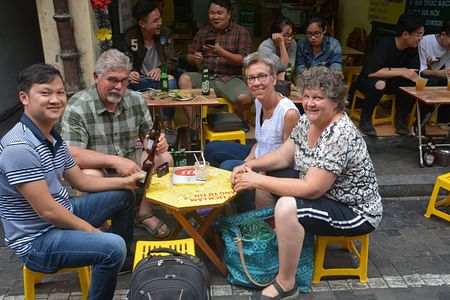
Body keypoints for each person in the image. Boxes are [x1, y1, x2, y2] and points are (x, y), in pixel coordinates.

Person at [232, 66, 382, 300]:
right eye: (307, 96)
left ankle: (286, 283)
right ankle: (280, 240)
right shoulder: (308, 122)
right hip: (327, 195)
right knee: (264, 178)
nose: (310, 103)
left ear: (335, 102)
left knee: (287, 207)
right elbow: (284, 155)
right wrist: (251, 165)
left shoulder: (339, 133)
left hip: (354, 211)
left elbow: (312, 189)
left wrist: (258, 179)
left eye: (318, 98)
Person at [0, 63, 142, 299]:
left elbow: (81, 181)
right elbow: (48, 211)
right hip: (37, 241)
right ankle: (110, 258)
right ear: (24, 98)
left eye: (59, 92)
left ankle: (118, 261)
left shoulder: (52, 136)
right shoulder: (20, 147)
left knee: (125, 197)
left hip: (60, 214)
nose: (55, 100)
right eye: (45, 93)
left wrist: (127, 183)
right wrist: (92, 233)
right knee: (112, 246)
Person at [61, 49, 172, 240]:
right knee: (88, 174)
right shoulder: (78, 105)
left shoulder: (136, 99)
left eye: (124, 80)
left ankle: (144, 213)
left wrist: (158, 142)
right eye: (112, 80)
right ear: (96, 77)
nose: (119, 86)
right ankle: (100, 221)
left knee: (164, 159)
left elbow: (148, 136)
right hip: (97, 164)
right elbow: (72, 154)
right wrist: (114, 161)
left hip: (130, 156)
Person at [205, 52, 299, 171]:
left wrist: (251, 167)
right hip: (259, 154)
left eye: (261, 76)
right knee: (211, 147)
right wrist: (248, 160)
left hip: (275, 167)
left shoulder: (288, 113)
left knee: (227, 166)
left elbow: (288, 159)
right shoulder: (259, 101)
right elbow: (260, 143)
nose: (256, 83)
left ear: (274, 79)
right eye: (251, 78)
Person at [178, 0, 253, 131]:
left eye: (219, 13)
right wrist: (194, 58)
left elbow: (244, 60)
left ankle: (238, 118)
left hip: (230, 78)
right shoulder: (203, 32)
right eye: (212, 13)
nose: (215, 17)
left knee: (245, 98)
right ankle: (193, 124)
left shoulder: (241, 32)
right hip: (207, 77)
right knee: (184, 79)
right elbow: (189, 56)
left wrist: (222, 52)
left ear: (229, 14)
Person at [123, 0, 186, 142]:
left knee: (170, 81)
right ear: (142, 24)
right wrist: (130, 71)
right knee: (124, 86)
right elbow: (125, 60)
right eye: (155, 20)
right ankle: (136, 130)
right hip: (141, 80)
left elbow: (173, 60)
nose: (160, 23)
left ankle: (168, 126)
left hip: (160, 78)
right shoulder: (130, 37)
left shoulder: (165, 34)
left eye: (160, 18)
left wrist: (161, 69)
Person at [355, 12, 425, 137]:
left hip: (392, 81)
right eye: (418, 35)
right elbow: (373, 72)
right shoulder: (386, 44)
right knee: (380, 83)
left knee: (414, 82)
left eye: (422, 35)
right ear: (405, 34)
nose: (421, 39)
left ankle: (401, 118)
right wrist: (402, 71)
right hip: (369, 81)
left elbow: (413, 72)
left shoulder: (413, 48)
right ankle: (365, 118)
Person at [258, 16, 297, 80]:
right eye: (285, 35)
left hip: (283, 77)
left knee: (284, 76)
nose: (290, 38)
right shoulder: (265, 47)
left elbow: (289, 69)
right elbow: (285, 67)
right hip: (266, 77)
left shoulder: (292, 43)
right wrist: (281, 44)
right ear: (275, 35)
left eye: (291, 35)